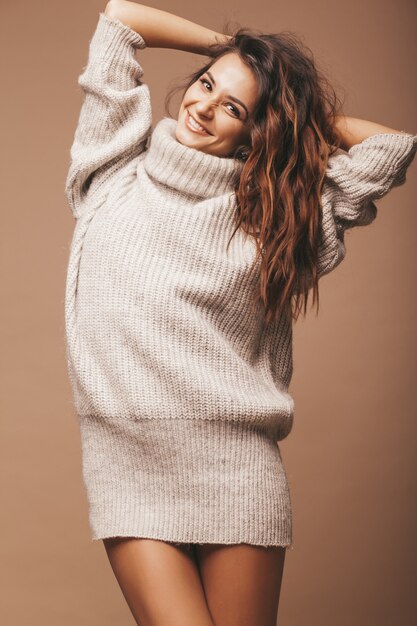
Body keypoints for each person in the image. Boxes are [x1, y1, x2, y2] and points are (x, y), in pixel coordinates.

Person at [64, 1, 417, 625]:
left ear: (257, 130)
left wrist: (296, 110)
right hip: (128, 464)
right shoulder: (112, 166)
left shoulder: (272, 220)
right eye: (206, 85)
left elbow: (390, 148)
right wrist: (230, 48)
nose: (203, 106)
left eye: (234, 107)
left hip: (236, 468)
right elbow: (121, 18)